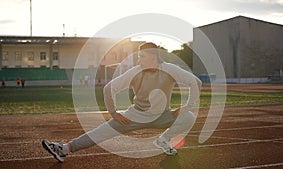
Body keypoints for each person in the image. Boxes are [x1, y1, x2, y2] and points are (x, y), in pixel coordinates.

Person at [42, 42, 202, 162]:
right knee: (102, 131)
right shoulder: (135, 72)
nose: (139, 59)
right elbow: (108, 88)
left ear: (153, 57)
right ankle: (64, 149)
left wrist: (187, 106)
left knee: (188, 117)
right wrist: (114, 113)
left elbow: (196, 83)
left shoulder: (170, 69)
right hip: (135, 116)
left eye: (142, 56)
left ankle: (164, 140)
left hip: (163, 116)